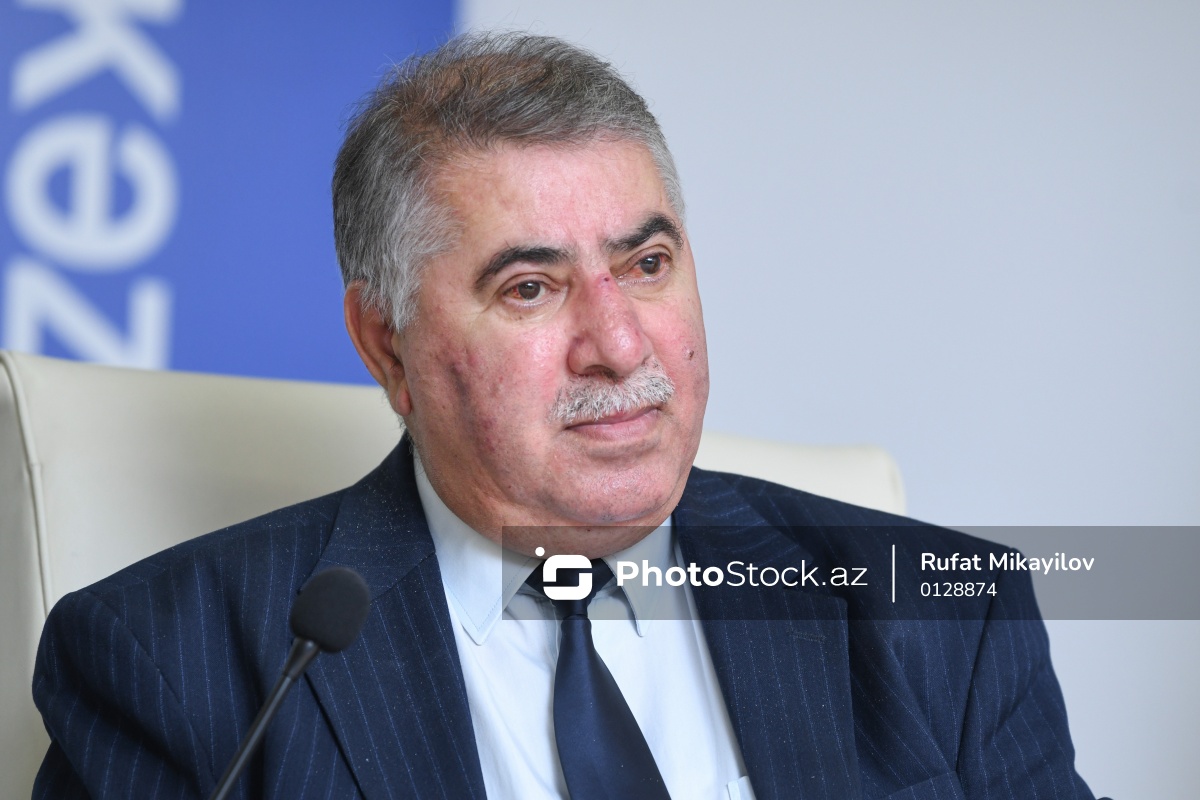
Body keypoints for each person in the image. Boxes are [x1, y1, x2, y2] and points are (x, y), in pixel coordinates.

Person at [32, 32, 1096, 799]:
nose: (621, 345)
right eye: (531, 288)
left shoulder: (947, 621)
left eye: (647, 265)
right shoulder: (171, 659)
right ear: (386, 344)